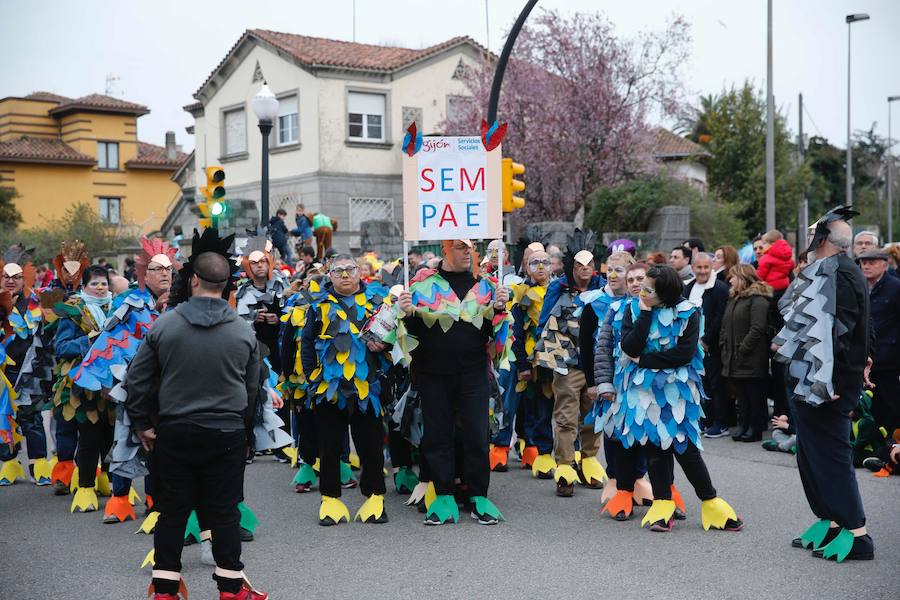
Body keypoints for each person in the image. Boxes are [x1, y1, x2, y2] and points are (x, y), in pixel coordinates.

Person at [127, 229, 268, 600]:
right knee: (224, 513)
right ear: (227, 284)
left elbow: (137, 381)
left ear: (192, 280)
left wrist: (143, 424)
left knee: (172, 512)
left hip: (174, 432)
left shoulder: (165, 326)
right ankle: (232, 590)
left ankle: (165, 591)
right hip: (225, 434)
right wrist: (245, 430)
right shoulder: (243, 332)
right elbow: (252, 391)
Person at [599, 264, 742, 532]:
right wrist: (644, 313)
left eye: (648, 290)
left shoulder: (689, 312)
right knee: (654, 448)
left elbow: (684, 354)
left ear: (664, 292)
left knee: (684, 449)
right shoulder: (634, 308)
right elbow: (628, 346)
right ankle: (662, 504)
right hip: (642, 395)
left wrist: (645, 360)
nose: (642, 292)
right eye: (642, 288)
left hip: (676, 394)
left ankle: (711, 501)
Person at [774, 207, 874, 562]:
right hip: (808, 381)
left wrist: (832, 381)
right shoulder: (824, 270)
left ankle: (857, 533)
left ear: (824, 240)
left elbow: (842, 333)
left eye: (815, 231)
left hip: (826, 387)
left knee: (831, 458)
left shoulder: (843, 274)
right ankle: (831, 521)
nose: (808, 236)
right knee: (811, 457)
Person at [396, 239, 511, 525]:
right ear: (445, 251)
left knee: (477, 433)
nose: (467, 254)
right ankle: (444, 494)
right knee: (437, 435)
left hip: (473, 372)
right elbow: (411, 332)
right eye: (460, 248)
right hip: (433, 373)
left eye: (470, 249)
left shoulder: (486, 287)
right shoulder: (422, 287)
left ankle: (478, 496)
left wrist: (499, 309)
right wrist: (407, 314)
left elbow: (493, 333)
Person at [73, 237, 178, 523]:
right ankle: (120, 500)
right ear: (144, 274)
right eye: (157, 269)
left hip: (172, 389)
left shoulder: (181, 304)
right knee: (126, 436)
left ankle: (156, 501)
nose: (165, 274)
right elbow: (108, 340)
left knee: (163, 445)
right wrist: (106, 381)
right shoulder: (131, 303)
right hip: (134, 385)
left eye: (168, 269)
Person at [301, 255, 389, 526]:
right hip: (330, 390)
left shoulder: (377, 303)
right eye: (338, 271)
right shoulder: (317, 308)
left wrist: (384, 349)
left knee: (371, 446)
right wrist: (312, 379)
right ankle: (330, 501)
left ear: (360, 273)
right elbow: (306, 345)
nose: (345, 276)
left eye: (350, 270)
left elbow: (393, 340)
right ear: (330, 276)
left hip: (368, 390)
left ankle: (375, 499)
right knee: (329, 446)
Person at [533, 231, 604, 497]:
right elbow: (543, 322)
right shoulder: (558, 287)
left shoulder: (603, 288)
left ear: (595, 267)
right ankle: (564, 469)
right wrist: (538, 358)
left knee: (592, 415)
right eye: (579, 266)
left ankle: (588, 461)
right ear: (571, 267)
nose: (584, 270)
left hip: (596, 364)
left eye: (589, 266)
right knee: (565, 417)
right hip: (567, 362)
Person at [492, 249, 555, 477]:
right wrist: (522, 363)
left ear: (552, 266)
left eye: (544, 262)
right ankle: (500, 447)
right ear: (526, 267)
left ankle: (534, 448)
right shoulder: (518, 292)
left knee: (539, 405)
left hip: (547, 359)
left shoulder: (558, 291)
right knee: (509, 402)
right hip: (519, 358)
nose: (540, 267)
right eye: (534, 262)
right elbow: (515, 330)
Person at [0, 244, 50, 487]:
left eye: (16, 277)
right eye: (6, 276)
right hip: (2, 373)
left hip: (28, 372)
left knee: (32, 419)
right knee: (4, 418)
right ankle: (8, 463)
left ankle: (39, 464)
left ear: (24, 279)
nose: (11, 281)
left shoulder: (35, 304)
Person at [720, 264, 772, 442]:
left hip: (751, 357)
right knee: (741, 395)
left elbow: (758, 328)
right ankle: (744, 424)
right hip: (734, 355)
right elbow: (725, 325)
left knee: (754, 394)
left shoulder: (758, 299)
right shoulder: (734, 299)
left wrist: (743, 348)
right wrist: (723, 344)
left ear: (742, 277)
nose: (730, 280)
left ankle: (754, 428)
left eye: (733, 277)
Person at [685, 254, 730, 438]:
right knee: (700, 384)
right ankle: (707, 418)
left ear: (711, 267)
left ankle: (721, 421)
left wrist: (707, 340)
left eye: (706, 267)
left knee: (716, 384)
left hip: (712, 345)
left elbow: (720, 317)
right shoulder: (688, 287)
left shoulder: (720, 289)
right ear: (693, 268)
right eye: (699, 267)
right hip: (693, 345)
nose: (702, 271)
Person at [858, 249, 900, 436]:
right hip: (864, 357)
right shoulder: (858, 286)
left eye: (872, 262)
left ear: (885, 264)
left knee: (891, 404)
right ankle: (871, 444)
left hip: (889, 358)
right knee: (869, 405)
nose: (866, 266)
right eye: (863, 262)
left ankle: (890, 447)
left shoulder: (895, 287)